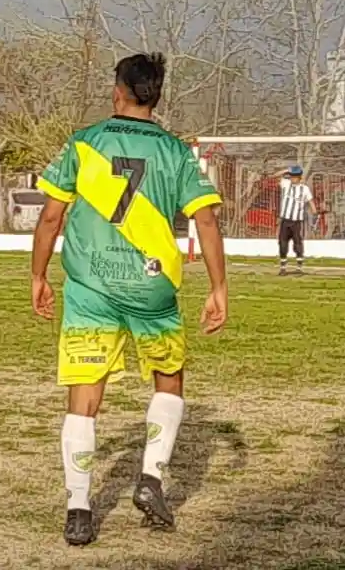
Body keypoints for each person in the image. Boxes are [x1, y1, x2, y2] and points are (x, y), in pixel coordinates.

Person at [30, 53, 227, 547]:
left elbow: (51, 217)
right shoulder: (177, 152)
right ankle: (152, 478)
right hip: (152, 285)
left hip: (91, 288)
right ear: (155, 96)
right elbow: (206, 220)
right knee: (169, 378)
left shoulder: (85, 143)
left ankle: (79, 509)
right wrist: (219, 288)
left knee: (85, 394)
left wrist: (38, 275)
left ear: (118, 91)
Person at [276, 165, 315, 275]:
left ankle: (299, 268)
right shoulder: (286, 184)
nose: (293, 178)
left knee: (297, 244)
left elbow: (310, 201)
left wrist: (315, 211)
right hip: (285, 221)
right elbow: (275, 176)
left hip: (296, 222)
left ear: (300, 178)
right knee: (282, 244)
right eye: (291, 176)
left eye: (295, 177)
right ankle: (283, 268)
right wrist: (286, 170)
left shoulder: (304, 189)